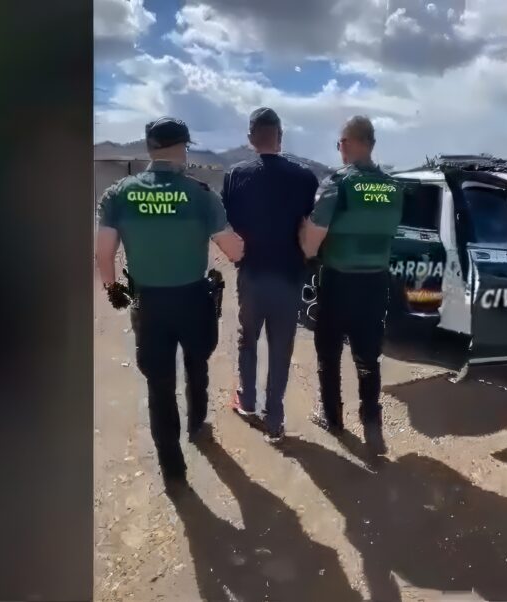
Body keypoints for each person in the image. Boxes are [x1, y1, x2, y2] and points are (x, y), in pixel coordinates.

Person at [95, 117, 244, 487]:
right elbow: (233, 250)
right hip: (193, 299)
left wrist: (114, 289)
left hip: (148, 302)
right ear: (183, 148)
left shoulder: (119, 193)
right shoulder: (201, 194)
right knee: (197, 365)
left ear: (149, 148)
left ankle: (173, 470)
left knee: (159, 386)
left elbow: (104, 253)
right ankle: (197, 424)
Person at [299, 115, 403, 454]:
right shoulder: (393, 187)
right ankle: (373, 430)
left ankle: (333, 419)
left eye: (339, 143)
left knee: (329, 353)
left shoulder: (338, 184)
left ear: (348, 143)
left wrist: (307, 248)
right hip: (376, 282)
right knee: (368, 357)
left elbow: (312, 241)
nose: (339, 149)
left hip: (339, 282)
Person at [222, 107, 319, 444]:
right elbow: (309, 228)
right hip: (289, 276)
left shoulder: (235, 175)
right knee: (281, 346)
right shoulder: (305, 178)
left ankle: (247, 400)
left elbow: (228, 226)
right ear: (280, 136)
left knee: (248, 338)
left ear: (251, 138)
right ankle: (274, 419)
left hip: (251, 274)